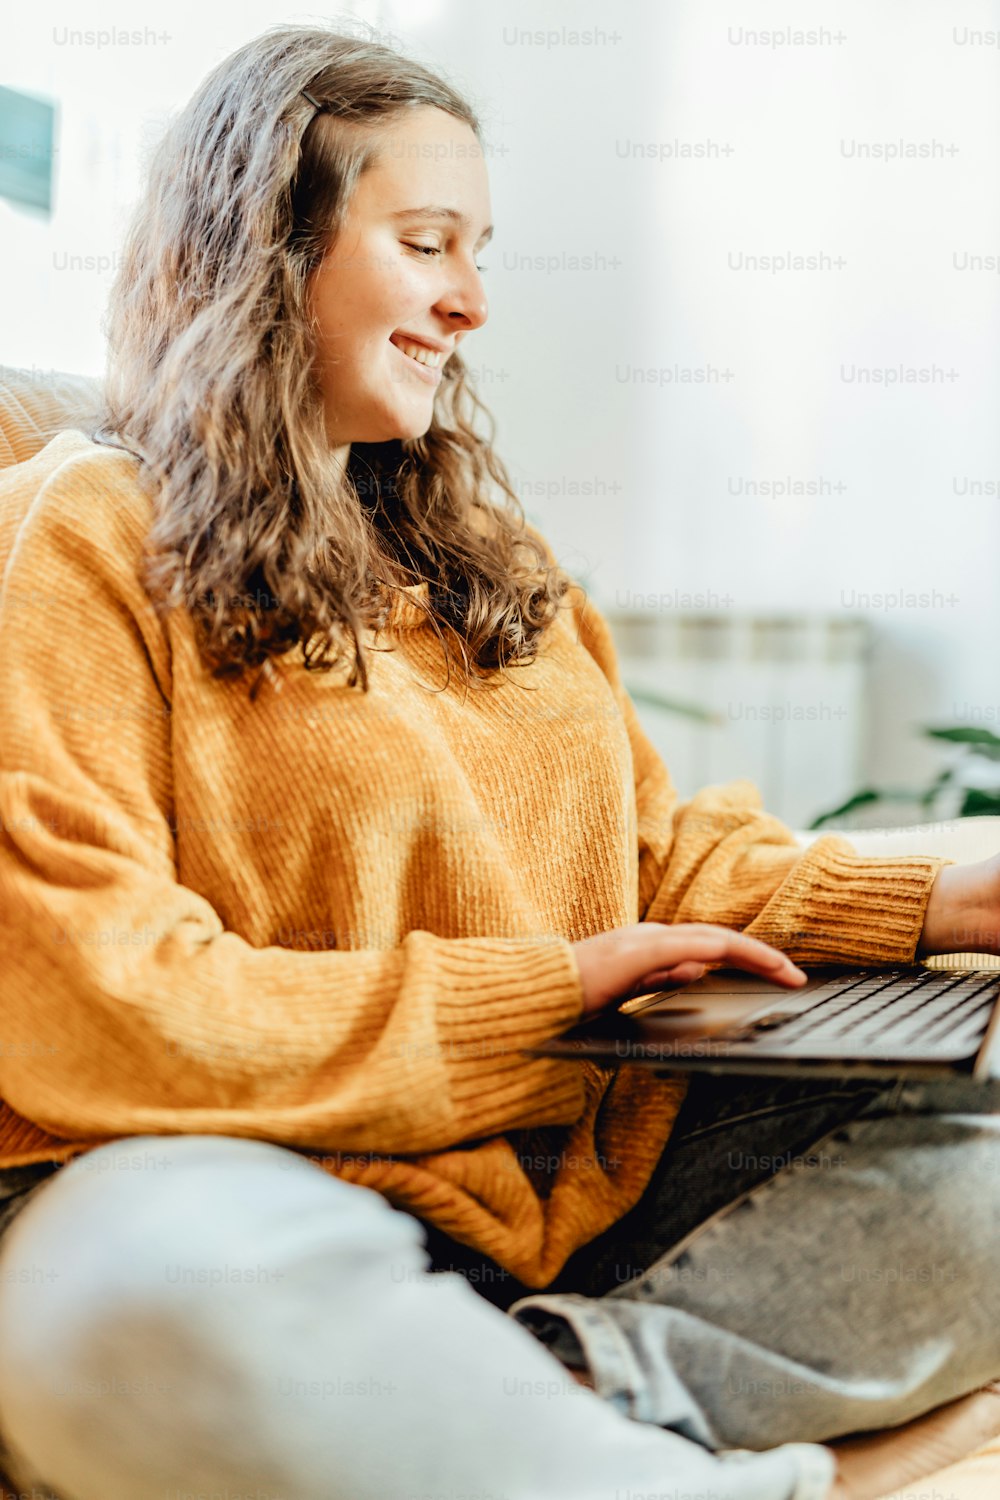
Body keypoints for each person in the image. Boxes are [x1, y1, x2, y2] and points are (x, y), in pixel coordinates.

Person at [0, 22, 998, 1500]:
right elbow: (88, 1001)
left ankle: (534, 1397)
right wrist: (547, 989)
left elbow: (650, 852)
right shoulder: (84, 532)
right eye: (425, 243)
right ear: (266, 249)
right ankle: (716, 1473)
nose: (469, 302)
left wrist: (931, 902)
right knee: (140, 1300)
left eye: (482, 250)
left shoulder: (488, 559)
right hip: (222, 1178)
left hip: (556, 1184)